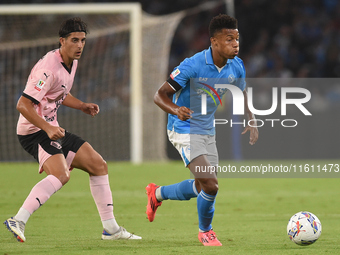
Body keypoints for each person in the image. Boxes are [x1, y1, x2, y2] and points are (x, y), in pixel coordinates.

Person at [3, 17, 141, 242]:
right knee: (60, 175)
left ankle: (111, 229)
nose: (79, 46)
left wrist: (82, 105)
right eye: (74, 40)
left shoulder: (72, 62)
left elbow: (60, 93)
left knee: (98, 165)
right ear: (62, 41)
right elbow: (23, 104)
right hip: (33, 131)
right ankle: (18, 219)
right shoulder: (47, 69)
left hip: (52, 128)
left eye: (83, 41)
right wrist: (47, 128)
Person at [145, 14, 258, 246]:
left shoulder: (236, 66)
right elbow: (160, 95)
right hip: (183, 128)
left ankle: (156, 194)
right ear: (214, 42)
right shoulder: (192, 65)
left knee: (200, 187)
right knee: (211, 184)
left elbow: (242, 90)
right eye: (229, 39)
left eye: (237, 39)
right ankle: (205, 232)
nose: (235, 44)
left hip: (207, 130)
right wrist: (176, 109)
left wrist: (251, 118)